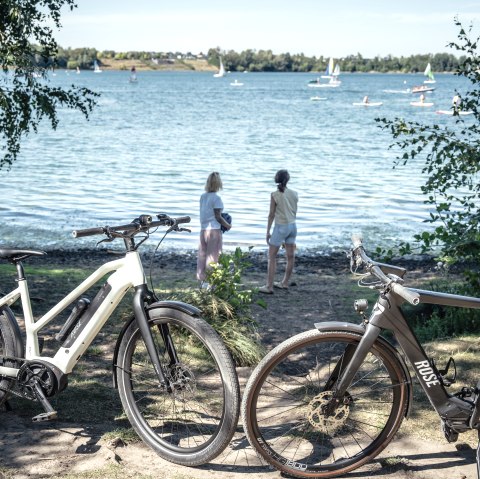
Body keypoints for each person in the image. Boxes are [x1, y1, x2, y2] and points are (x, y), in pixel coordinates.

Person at [259, 169, 298, 294]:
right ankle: (285, 282)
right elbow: (293, 211)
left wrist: (267, 232)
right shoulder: (294, 193)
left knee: (271, 256)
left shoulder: (274, 194)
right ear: (288, 180)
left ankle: (269, 286)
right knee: (290, 256)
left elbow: (271, 214)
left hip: (281, 227)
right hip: (293, 226)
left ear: (276, 180)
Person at [196, 172, 231, 285]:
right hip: (214, 230)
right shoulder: (217, 198)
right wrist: (228, 225)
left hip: (203, 230)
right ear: (218, 184)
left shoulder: (203, 196)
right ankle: (210, 282)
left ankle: (202, 279)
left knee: (202, 254)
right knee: (213, 256)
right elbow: (218, 216)